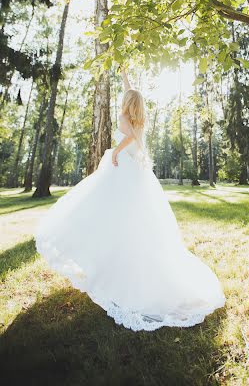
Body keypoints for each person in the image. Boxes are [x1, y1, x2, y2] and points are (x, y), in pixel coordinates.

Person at [34, 69, 225, 331]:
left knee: (119, 216)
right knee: (121, 217)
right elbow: (131, 96)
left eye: (127, 98)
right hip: (133, 173)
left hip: (125, 169)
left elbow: (130, 138)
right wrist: (124, 76)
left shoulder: (130, 121)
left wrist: (116, 152)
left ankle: (113, 264)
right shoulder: (139, 116)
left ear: (128, 105)